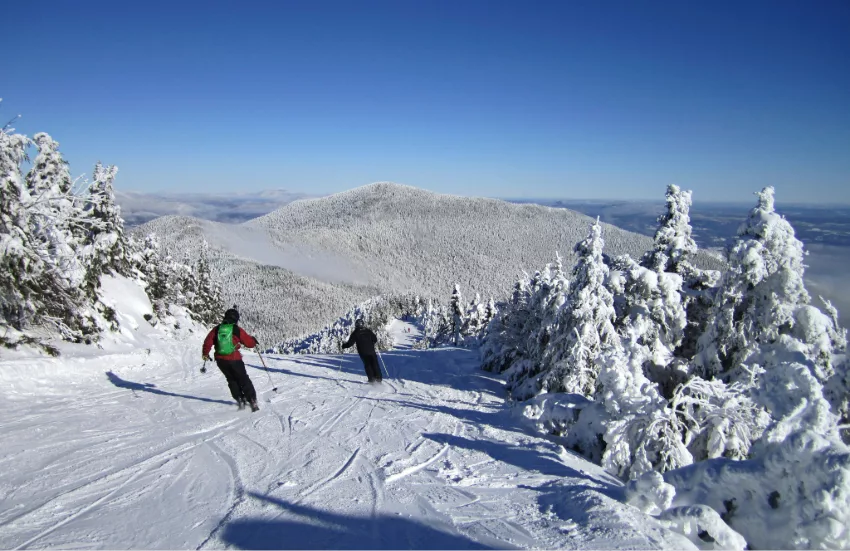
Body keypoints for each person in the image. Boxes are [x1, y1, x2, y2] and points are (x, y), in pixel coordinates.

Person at [202, 307, 260, 411]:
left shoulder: (217, 329)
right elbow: (248, 343)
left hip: (221, 360)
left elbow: (207, 341)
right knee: (243, 379)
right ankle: (252, 401)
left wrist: (205, 354)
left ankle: (239, 399)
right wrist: (254, 341)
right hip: (234, 359)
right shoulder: (236, 329)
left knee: (231, 379)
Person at [342, 318, 382, 383]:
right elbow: (375, 339)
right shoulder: (368, 330)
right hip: (371, 351)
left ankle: (372, 380)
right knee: (375, 364)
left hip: (363, 352)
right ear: (363, 324)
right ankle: (379, 378)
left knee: (368, 365)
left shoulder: (355, 333)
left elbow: (350, 343)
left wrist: (344, 346)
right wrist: (371, 343)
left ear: (356, 325)